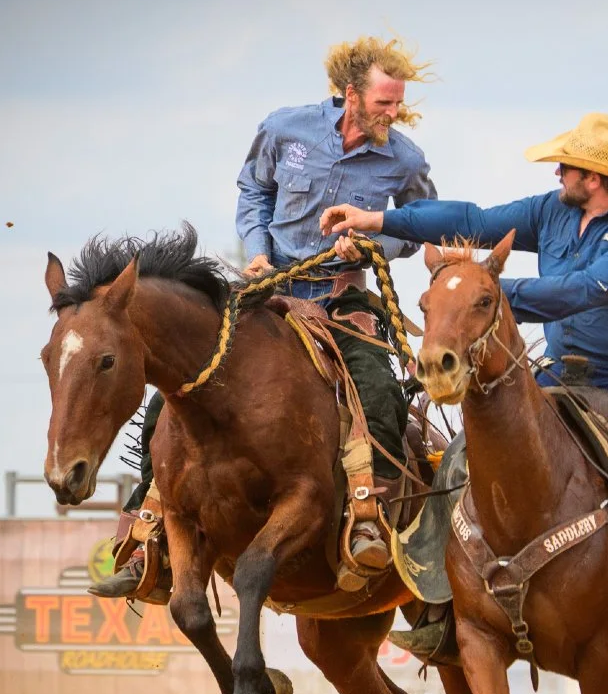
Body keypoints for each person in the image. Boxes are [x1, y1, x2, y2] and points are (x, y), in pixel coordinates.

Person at [319, 113, 608, 677]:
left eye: (567, 166)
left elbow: (579, 292)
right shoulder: (555, 209)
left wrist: (477, 300)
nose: (558, 172)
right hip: (557, 373)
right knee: (460, 462)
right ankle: (440, 606)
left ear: (595, 176)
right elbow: (474, 220)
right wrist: (379, 218)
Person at [90, 35, 437, 598]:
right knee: (176, 390)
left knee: (377, 388)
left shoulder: (405, 159)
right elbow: (253, 188)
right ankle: (149, 535)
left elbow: (421, 223)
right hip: (268, 286)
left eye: (397, 105)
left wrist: (375, 242)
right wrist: (255, 245)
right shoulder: (285, 128)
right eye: (384, 103)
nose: (393, 115)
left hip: (341, 294)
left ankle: (370, 520)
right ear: (351, 94)